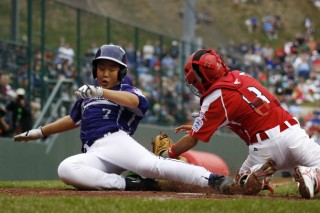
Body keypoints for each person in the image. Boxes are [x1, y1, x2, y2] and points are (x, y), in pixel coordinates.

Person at [13, 44, 234, 192]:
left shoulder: (125, 90)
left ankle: (212, 179)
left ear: (121, 72)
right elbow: (72, 120)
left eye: (111, 69)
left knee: (153, 167)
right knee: (66, 169)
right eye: (101, 68)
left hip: (116, 142)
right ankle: (131, 184)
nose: (105, 73)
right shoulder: (88, 96)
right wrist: (39, 132)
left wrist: (100, 92)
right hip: (94, 151)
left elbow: (136, 102)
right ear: (95, 70)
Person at [160, 49, 320, 199]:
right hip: (292, 134)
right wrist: (200, 126)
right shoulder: (241, 75)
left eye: (195, 81)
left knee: (239, 184)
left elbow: (192, 139)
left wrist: (168, 155)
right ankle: (311, 176)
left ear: (202, 78)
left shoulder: (214, 98)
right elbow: (243, 109)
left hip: (264, 148)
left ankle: (257, 175)